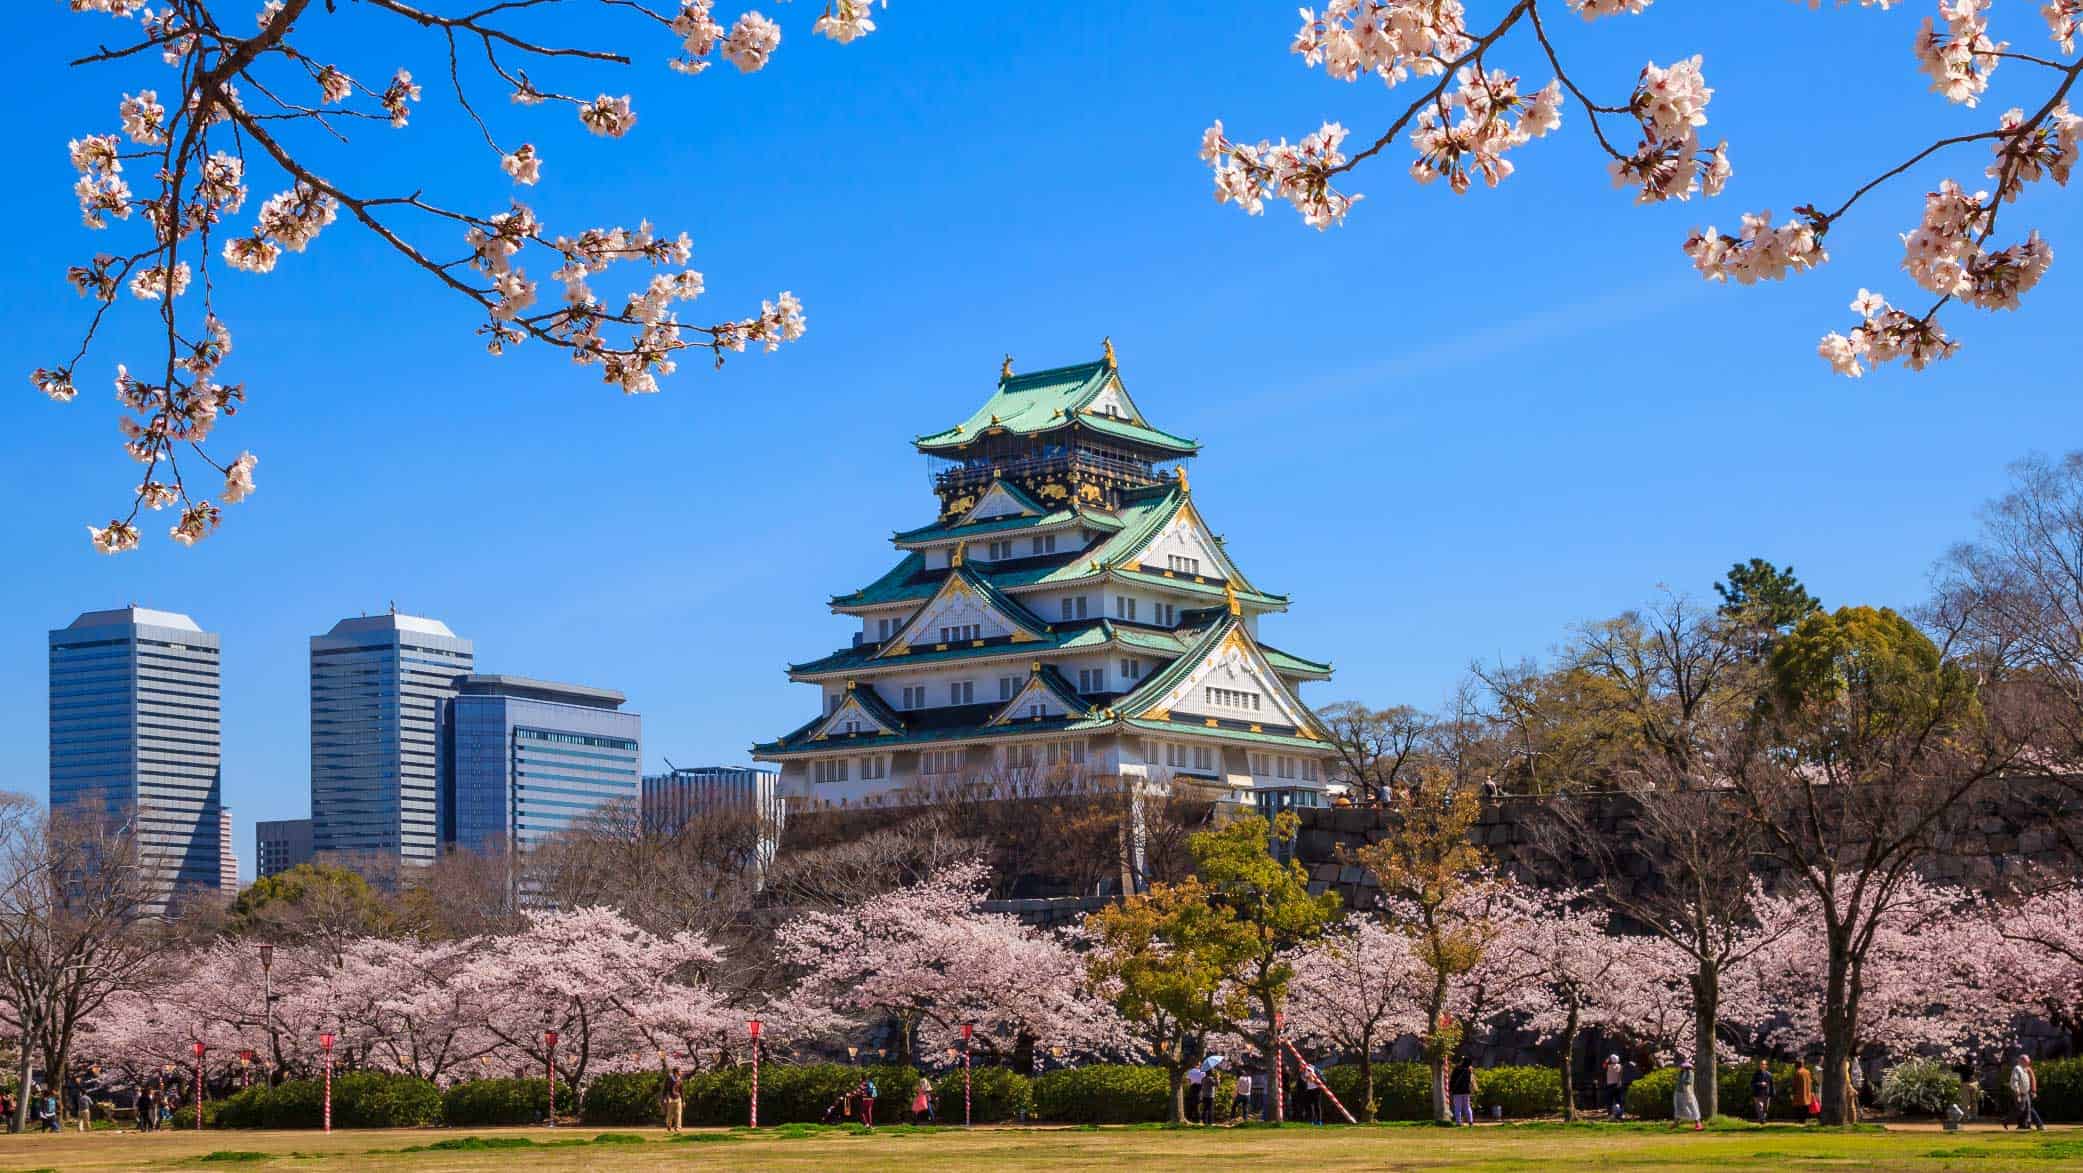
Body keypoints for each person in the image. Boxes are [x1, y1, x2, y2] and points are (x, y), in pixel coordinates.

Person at [2009, 1055, 2045, 1131]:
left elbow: (2032, 1080)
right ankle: (2026, 1124)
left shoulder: (2027, 1069)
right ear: (2022, 1061)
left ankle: (2028, 1124)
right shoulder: (2018, 1068)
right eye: (2027, 1061)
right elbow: (2015, 1081)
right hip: (2021, 1092)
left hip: (2027, 1092)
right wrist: (2017, 1091)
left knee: (2027, 1109)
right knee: (2023, 1109)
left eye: (2028, 1061)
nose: (2028, 1062)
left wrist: (2033, 1091)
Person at [1672, 1060, 1702, 1131]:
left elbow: (1687, 1084)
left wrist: (1688, 1095)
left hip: (1687, 1093)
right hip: (1679, 1093)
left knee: (1693, 1107)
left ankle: (1698, 1123)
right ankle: (1676, 1122)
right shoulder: (1681, 1073)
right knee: (1679, 1108)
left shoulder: (1689, 1073)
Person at [1449, 1057, 1477, 1127]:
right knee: (1467, 1106)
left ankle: (1458, 1122)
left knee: (1458, 1107)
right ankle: (1470, 1121)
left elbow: (1452, 1080)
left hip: (1457, 1091)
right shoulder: (1469, 1070)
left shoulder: (1456, 1069)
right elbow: (1471, 1081)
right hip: (1466, 1091)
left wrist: (1450, 1089)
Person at [1750, 1059, 1775, 1126]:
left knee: (1765, 1108)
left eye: (1764, 1064)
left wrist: (1772, 1093)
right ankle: (1762, 1120)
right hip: (1758, 1093)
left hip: (1767, 1093)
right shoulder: (1756, 1074)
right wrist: (1760, 1084)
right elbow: (1752, 1083)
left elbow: (1772, 1084)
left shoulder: (1769, 1074)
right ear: (1760, 1065)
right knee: (1760, 1107)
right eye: (1761, 1064)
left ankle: (1763, 1118)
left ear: (1766, 1066)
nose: (1762, 1066)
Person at [660, 1065, 684, 1134]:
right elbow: (665, 1089)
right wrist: (664, 1098)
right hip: (670, 1098)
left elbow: (682, 1091)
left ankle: (677, 1127)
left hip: (678, 1098)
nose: (681, 1072)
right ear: (676, 1072)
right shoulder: (669, 1079)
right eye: (680, 1071)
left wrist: (683, 1100)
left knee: (678, 1113)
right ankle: (669, 1125)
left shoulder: (680, 1080)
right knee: (670, 1114)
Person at [1603, 1055, 1626, 1120]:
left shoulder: (1609, 1066)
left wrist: (1607, 1060)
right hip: (1618, 1085)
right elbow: (1621, 1074)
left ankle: (1610, 1115)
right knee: (1619, 1100)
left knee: (1609, 1101)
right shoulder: (1620, 1066)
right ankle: (1621, 1114)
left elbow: (1604, 1065)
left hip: (1610, 1085)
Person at [1793, 1060, 1814, 1125]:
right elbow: (1810, 1081)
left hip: (1799, 1092)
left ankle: (1801, 1120)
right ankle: (1804, 1119)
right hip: (1807, 1091)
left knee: (1799, 1107)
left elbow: (1795, 1083)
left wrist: (1793, 1091)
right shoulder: (1808, 1072)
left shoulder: (1798, 1072)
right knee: (1806, 1106)